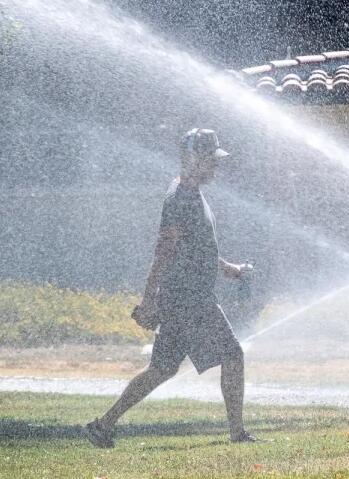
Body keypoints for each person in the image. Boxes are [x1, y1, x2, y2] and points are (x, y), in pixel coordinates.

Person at [86, 128, 256, 447]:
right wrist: (149, 300)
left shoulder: (191, 193)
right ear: (193, 158)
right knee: (232, 355)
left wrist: (228, 268)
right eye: (211, 160)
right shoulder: (180, 199)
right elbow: (163, 251)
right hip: (189, 299)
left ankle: (102, 425)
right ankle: (237, 434)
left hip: (184, 299)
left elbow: (201, 246)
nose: (215, 167)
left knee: (162, 368)